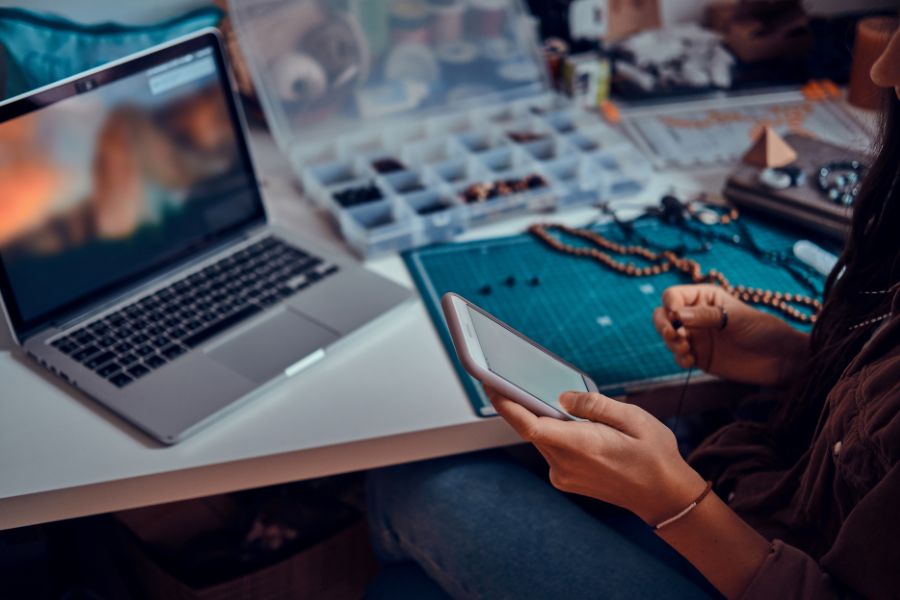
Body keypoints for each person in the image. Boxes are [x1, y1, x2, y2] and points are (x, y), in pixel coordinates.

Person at [365, 26, 900, 600]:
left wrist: (672, 501)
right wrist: (793, 361)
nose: (882, 68)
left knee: (419, 484)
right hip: (768, 521)